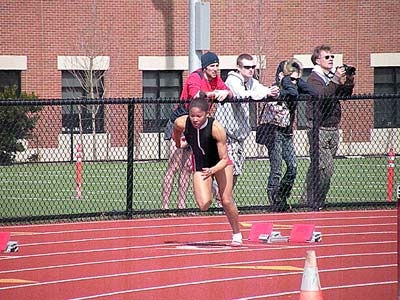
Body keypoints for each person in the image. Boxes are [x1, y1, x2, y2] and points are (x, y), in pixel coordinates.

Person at [162, 51, 232, 210]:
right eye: (212, 66)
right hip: (181, 122)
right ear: (204, 67)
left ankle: (181, 205)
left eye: (217, 66)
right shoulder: (195, 77)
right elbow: (195, 95)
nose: (215, 69)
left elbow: (230, 93)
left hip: (197, 126)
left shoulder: (217, 80)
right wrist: (213, 94)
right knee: (173, 166)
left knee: (187, 168)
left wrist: (225, 92)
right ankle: (165, 206)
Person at [173, 97, 242, 246]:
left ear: (207, 114)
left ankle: (237, 233)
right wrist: (178, 142)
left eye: (199, 116)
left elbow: (224, 159)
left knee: (226, 200)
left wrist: (212, 170)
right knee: (204, 205)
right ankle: (212, 187)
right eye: (192, 116)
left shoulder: (216, 128)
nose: (195, 119)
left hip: (219, 164)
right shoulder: (182, 122)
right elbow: (176, 129)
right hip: (201, 163)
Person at [215, 53, 279, 191]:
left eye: (253, 67)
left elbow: (260, 89)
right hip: (226, 134)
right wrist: (264, 93)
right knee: (230, 170)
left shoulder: (250, 81)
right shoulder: (233, 80)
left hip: (238, 136)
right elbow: (241, 95)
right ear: (239, 67)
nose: (251, 70)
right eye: (247, 67)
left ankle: (221, 196)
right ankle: (220, 197)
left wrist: (270, 91)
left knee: (236, 171)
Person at [302, 44, 355, 210]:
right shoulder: (313, 79)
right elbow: (323, 96)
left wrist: (349, 79)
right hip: (318, 128)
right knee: (326, 168)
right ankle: (317, 201)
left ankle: (306, 198)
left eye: (332, 57)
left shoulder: (332, 77)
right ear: (317, 60)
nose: (331, 59)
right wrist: (334, 80)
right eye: (327, 57)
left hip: (333, 127)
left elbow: (343, 95)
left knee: (317, 166)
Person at [264, 58, 316, 212]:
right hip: (273, 133)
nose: (294, 82)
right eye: (290, 78)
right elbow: (291, 92)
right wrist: (286, 82)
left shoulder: (291, 87)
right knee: (277, 169)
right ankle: (274, 200)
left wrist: (297, 81)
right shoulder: (275, 89)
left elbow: (313, 91)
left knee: (293, 166)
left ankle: (282, 195)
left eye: (296, 79)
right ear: (281, 75)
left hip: (287, 134)